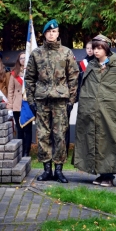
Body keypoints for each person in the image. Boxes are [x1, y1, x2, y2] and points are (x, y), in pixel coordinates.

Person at [73, 34, 116, 187]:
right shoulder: (91, 66)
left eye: (99, 48)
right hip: (92, 112)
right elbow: (86, 90)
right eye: (94, 48)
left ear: (106, 49)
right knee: (95, 140)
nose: (95, 51)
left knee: (108, 141)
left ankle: (108, 176)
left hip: (111, 112)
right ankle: (100, 174)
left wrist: (115, 109)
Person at [24, 19, 79, 183]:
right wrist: (31, 101)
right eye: (48, 32)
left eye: (54, 32)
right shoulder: (36, 54)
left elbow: (73, 78)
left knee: (60, 135)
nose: (51, 34)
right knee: (43, 135)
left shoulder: (66, 53)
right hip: (41, 100)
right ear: (44, 34)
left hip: (61, 101)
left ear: (58, 33)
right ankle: (47, 170)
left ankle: (59, 170)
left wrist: (71, 101)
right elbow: (29, 78)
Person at [7, 52, 33, 157]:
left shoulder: (31, 72)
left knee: (28, 129)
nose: (23, 59)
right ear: (18, 60)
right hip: (17, 105)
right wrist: (10, 106)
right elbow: (10, 91)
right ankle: (21, 151)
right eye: (21, 58)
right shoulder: (14, 73)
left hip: (27, 104)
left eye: (24, 58)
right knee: (20, 129)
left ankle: (27, 151)